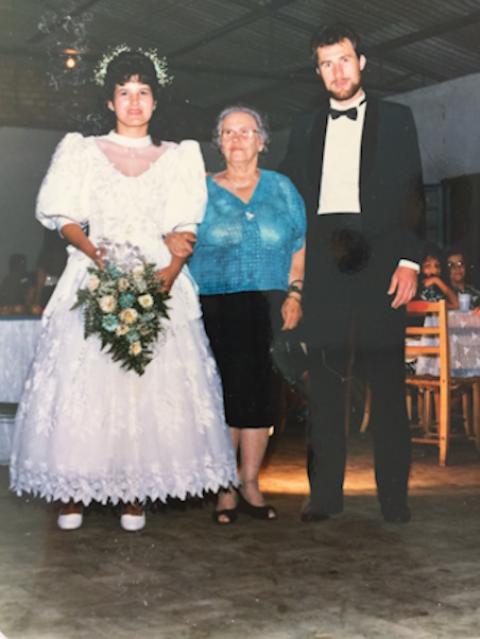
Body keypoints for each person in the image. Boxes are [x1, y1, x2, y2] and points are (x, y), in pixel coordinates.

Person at [10, 48, 237, 531]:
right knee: (85, 387)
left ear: (156, 100)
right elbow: (64, 216)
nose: (134, 102)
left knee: (143, 388)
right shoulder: (82, 150)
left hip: (157, 278)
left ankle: (134, 495)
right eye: (125, 93)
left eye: (143, 92)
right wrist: (94, 254)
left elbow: (185, 226)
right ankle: (73, 493)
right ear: (110, 101)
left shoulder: (178, 157)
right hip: (95, 273)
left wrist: (166, 278)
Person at [280, 23, 425, 524]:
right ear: (317, 71)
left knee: (386, 387)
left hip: (381, 265)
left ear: (362, 63)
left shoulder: (397, 118)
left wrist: (410, 261)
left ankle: (394, 499)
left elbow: (414, 192)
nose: (337, 71)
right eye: (327, 64)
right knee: (324, 389)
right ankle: (324, 496)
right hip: (324, 268)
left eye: (344, 60)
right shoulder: (303, 126)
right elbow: (288, 197)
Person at [188, 106, 306, 524]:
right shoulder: (199, 189)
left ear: (262, 140)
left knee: (261, 394)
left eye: (246, 131)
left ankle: (250, 482)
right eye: (228, 132)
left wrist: (295, 294)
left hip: (270, 304)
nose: (237, 139)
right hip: (215, 304)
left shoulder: (282, 188)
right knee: (223, 394)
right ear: (218, 142)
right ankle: (224, 487)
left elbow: (299, 245)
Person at [30, 229, 69, 314]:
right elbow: (41, 280)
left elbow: (40, 280)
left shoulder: (67, 254)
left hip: (55, 292)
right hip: (56, 292)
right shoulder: (66, 253)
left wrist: (37, 301)